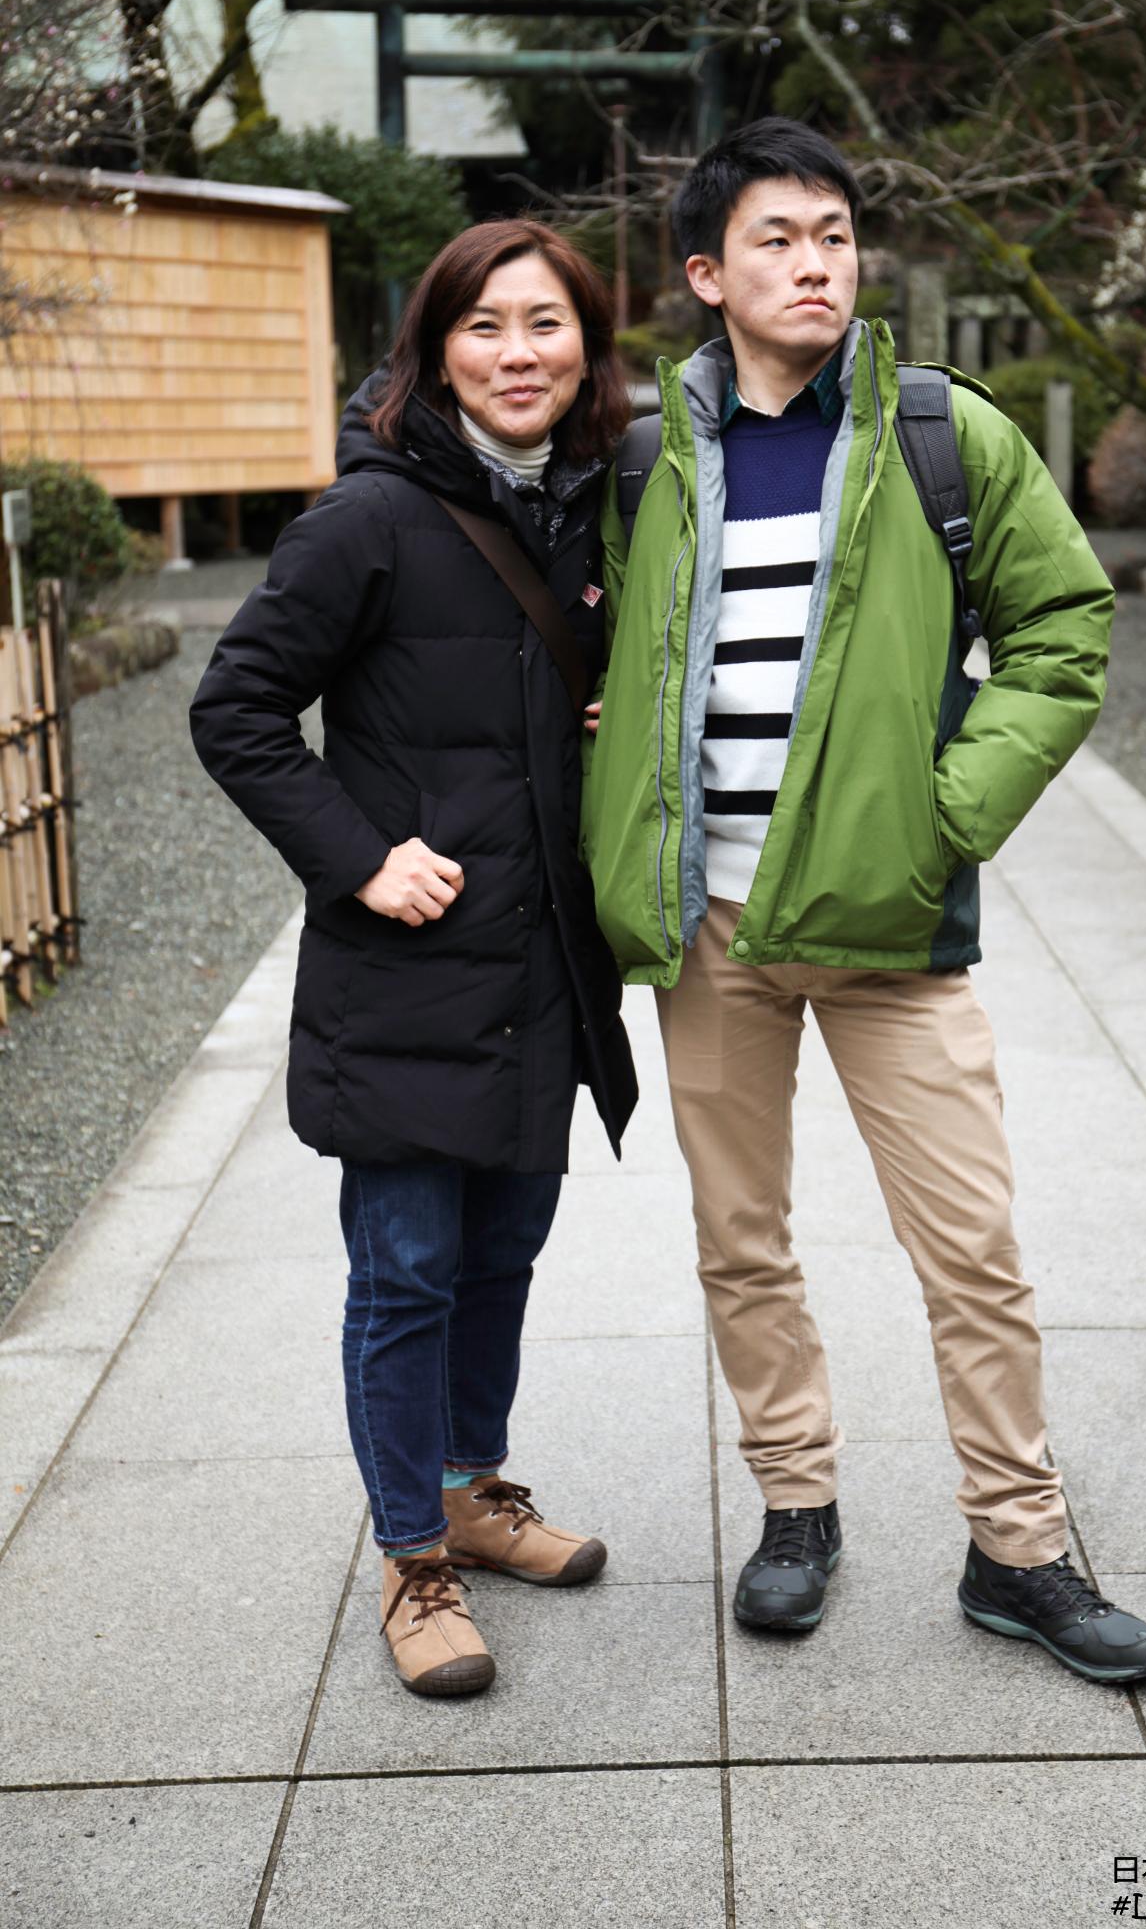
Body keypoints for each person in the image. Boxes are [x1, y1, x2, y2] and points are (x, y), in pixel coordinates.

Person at [581, 118, 1146, 1684]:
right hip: (707, 929)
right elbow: (592, 655)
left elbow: (1062, 625)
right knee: (739, 1241)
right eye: (775, 239)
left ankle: (1018, 1548)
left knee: (970, 1248)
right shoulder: (646, 461)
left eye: (833, 236)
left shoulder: (940, 433)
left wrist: (943, 816)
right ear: (706, 276)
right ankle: (796, 1508)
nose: (814, 264)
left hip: (893, 930)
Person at [191, 219, 637, 1698]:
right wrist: (362, 854)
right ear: (434, 350)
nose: (518, 353)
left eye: (546, 324)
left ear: (587, 347)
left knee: (502, 1253)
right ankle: (411, 1558)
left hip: (538, 964)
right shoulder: (367, 519)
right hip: (406, 963)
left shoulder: (593, 509)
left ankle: (469, 1489)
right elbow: (236, 710)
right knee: (407, 1272)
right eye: (483, 326)